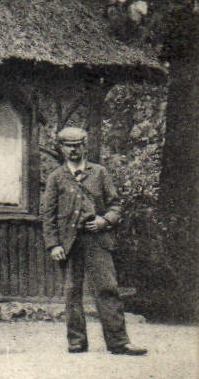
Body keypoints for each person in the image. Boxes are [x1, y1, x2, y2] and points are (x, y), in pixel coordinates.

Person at [40, 126, 145, 355]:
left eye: (78, 145)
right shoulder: (56, 178)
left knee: (107, 288)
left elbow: (116, 205)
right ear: (61, 148)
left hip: (98, 240)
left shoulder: (99, 173)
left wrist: (105, 221)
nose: (74, 150)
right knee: (71, 291)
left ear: (84, 147)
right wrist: (54, 244)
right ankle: (76, 341)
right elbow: (48, 215)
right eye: (69, 146)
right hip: (69, 243)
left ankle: (119, 342)